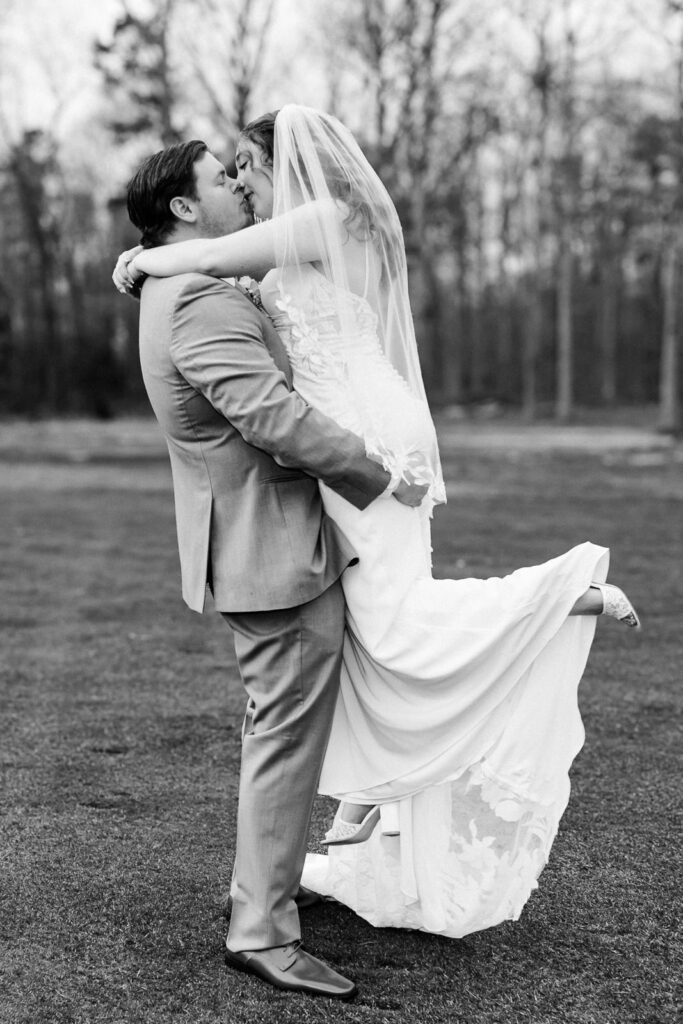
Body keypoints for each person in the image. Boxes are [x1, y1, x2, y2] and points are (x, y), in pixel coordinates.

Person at [114, 105, 640, 940]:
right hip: (361, 431)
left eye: (243, 165)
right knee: (368, 629)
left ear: (286, 160)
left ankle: (561, 592)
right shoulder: (278, 244)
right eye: (226, 174)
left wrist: (141, 261)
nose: (240, 180)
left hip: (368, 436)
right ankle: (363, 817)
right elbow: (229, 287)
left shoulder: (316, 220)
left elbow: (211, 261)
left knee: (391, 624)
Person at [124, 139, 427, 999]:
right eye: (221, 180)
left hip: (261, 542)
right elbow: (270, 416)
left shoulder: (179, 283)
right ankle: (260, 931)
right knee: (284, 745)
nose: (237, 186)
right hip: (271, 550)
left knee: (279, 735)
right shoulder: (195, 300)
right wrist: (377, 474)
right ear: (184, 209)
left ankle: (266, 891)